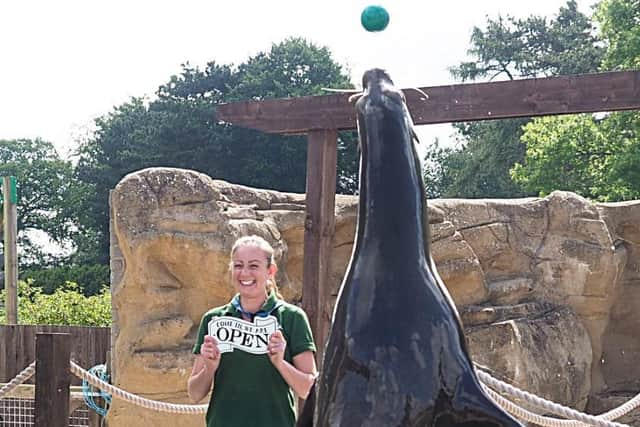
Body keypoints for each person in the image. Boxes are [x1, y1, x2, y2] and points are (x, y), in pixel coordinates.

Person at [188, 235, 317, 427]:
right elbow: (195, 394)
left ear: (270, 271)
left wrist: (280, 363)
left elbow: (309, 389)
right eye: (238, 265)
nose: (245, 273)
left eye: (254, 266)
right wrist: (209, 368)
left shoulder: (292, 318)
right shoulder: (213, 320)